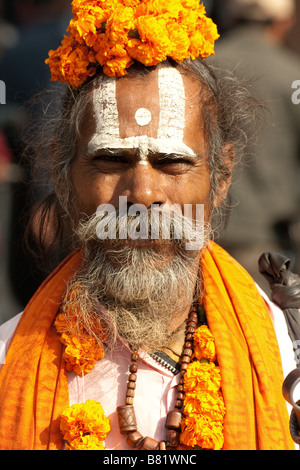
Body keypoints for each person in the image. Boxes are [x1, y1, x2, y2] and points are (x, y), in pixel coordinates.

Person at [0, 0, 296, 451]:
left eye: (173, 162)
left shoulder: (286, 350)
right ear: (63, 178)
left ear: (221, 178)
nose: (141, 195)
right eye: (110, 160)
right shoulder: (8, 363)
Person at [208, 0, 300, 288]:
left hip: (203, 243)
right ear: (285, 20)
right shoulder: (292, 74)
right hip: (268, 252)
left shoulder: (202, 68)